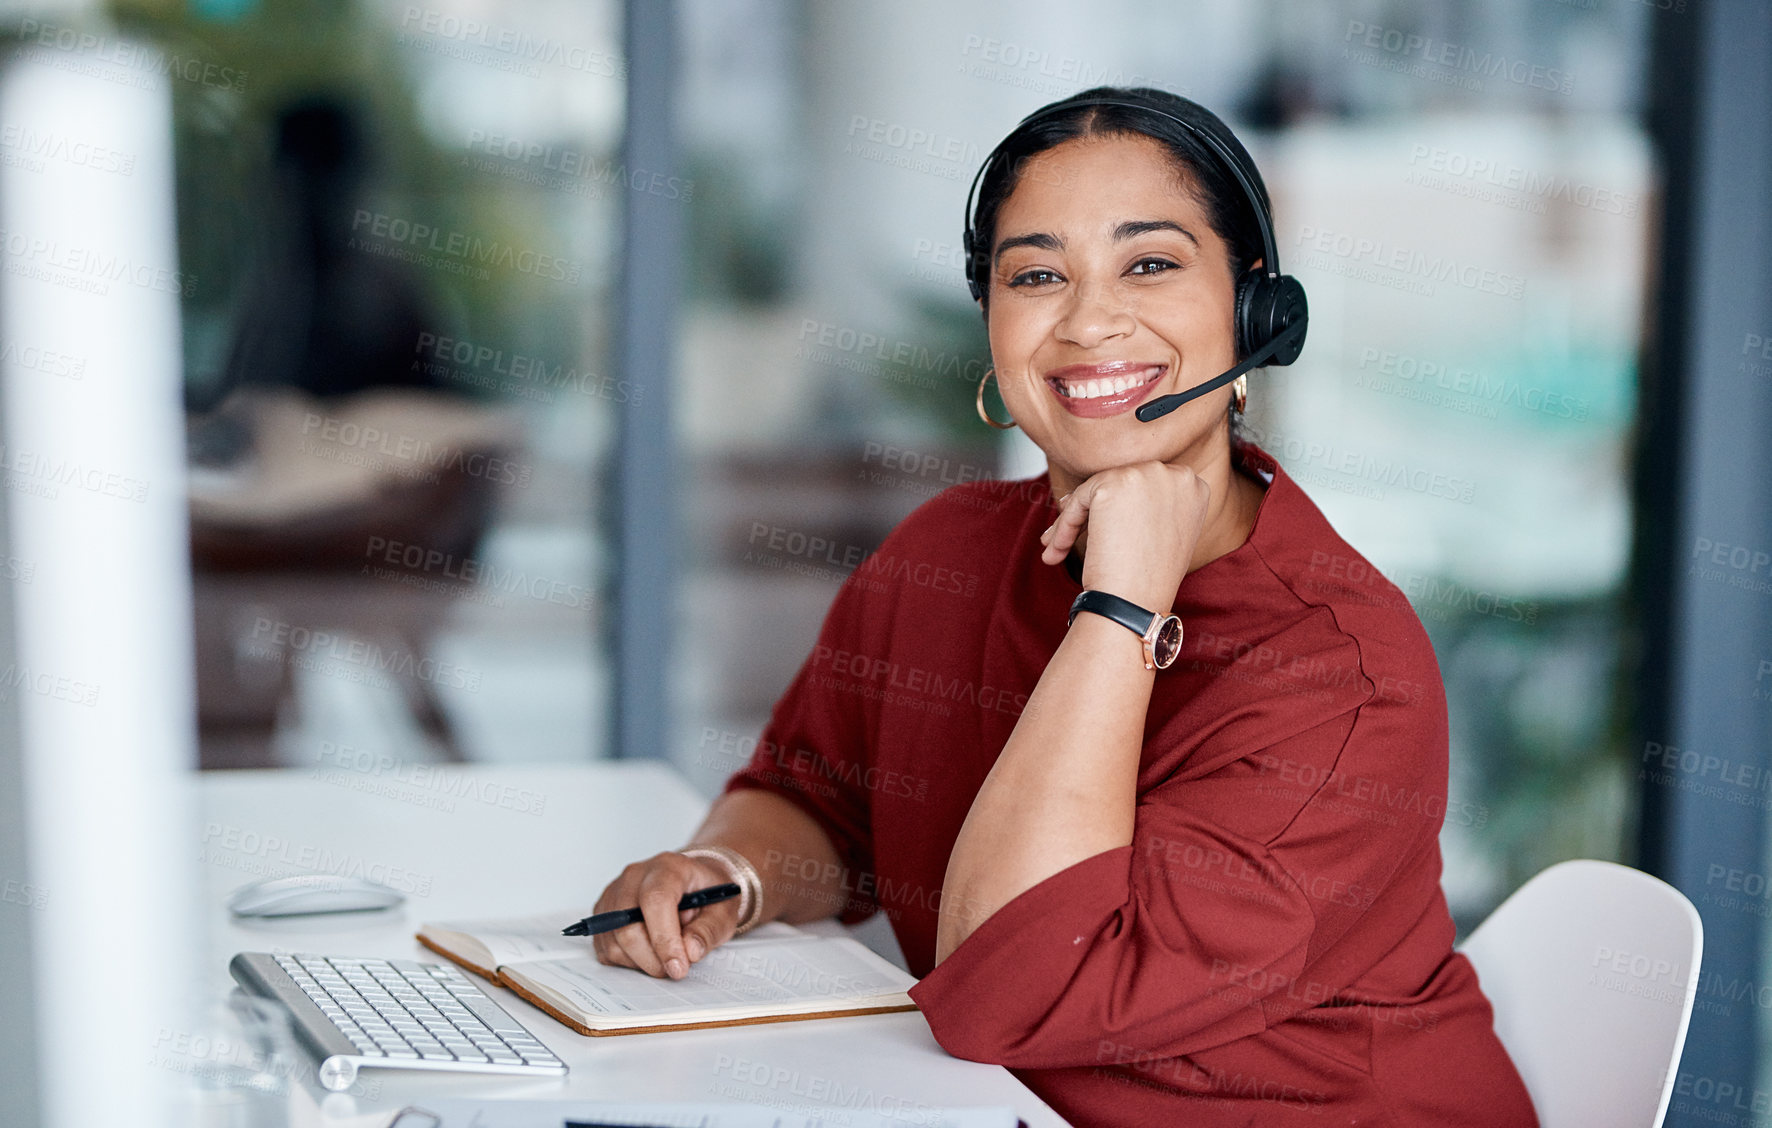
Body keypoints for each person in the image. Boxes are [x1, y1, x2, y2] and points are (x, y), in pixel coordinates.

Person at [591, 86, 1537, 1127]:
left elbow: (1011, 988)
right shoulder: (944, 552)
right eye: (1036, 275)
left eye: (1150, 263)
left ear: (1257, 312)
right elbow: (816, 798)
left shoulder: (1340, 673)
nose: (1088, 321)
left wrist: (1121, 603)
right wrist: (723, 875)